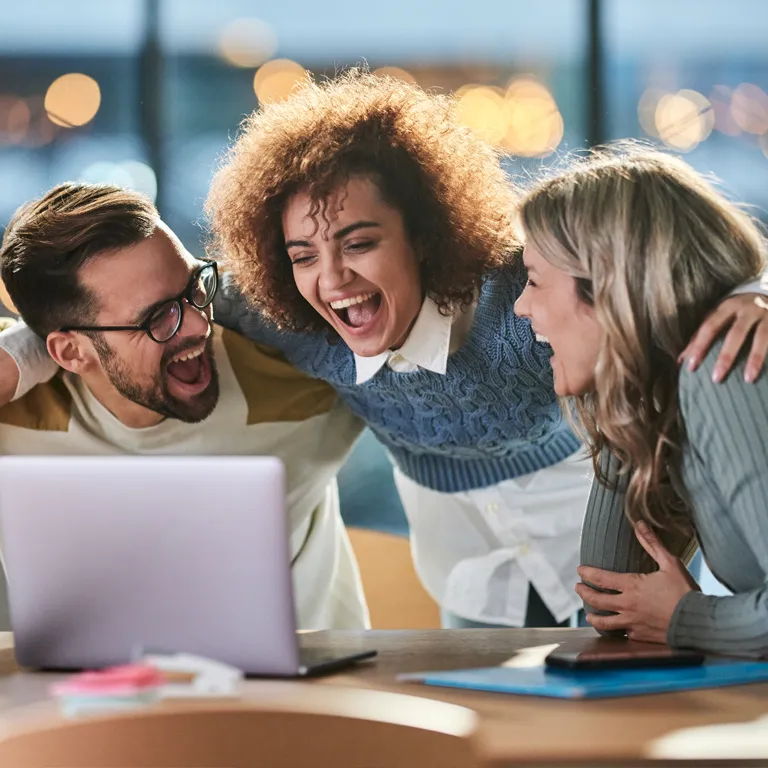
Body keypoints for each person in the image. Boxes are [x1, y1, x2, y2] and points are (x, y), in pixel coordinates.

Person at [205, 71, 768, 629]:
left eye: (360, 243)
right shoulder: (293, 319)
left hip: (597, 528)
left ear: (425, 234)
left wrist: (756, 293)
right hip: (469, 576)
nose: (332, 279)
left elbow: (647, 265)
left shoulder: (524, 292)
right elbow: (171, 286)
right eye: (303, 255)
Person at [0, 182, 368, 632]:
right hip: (88, 695)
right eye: (157, 318)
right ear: (72, 353)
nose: (198, 323)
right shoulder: (15, 410)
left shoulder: (295, 377)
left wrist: (24, 353)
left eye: (195, 288)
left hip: (308, 692)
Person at [514, 144, 768, 656]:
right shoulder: (671, 384)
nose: (521, 306)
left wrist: (688, 619)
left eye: (535, 280)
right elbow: (613, 594)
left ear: (608, 287)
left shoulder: (724, 367)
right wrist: (624, 381)